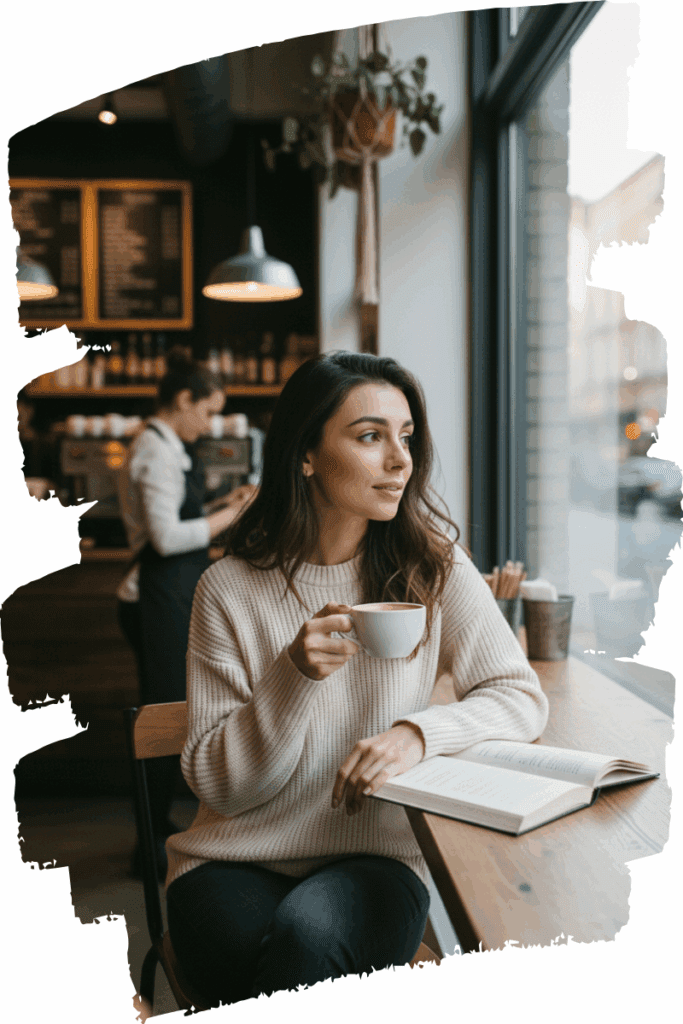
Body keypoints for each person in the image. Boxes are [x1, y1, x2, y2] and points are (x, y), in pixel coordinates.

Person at [164, 351, 549, 1006]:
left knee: (306, 943)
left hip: (376, 858)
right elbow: (222, 790)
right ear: (305, 453)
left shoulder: (434, 567)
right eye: (370, 436)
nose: (400, 460)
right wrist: (291, 677)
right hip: (231, 858)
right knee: (260, 959)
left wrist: (414, 734)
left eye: (404, 437)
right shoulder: (227, 589)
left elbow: (517, 696)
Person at [116, 347, 257, 876]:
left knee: (172, 712)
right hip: (153, 598)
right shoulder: (154, 451)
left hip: (168, 597)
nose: (211, 422)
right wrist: (234, 512)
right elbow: (168, 537)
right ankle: (146, 848)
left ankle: (155, 831)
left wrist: (224, 503)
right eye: (207, 409)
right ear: (182, 400)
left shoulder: (167, 445)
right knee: (162, 717)